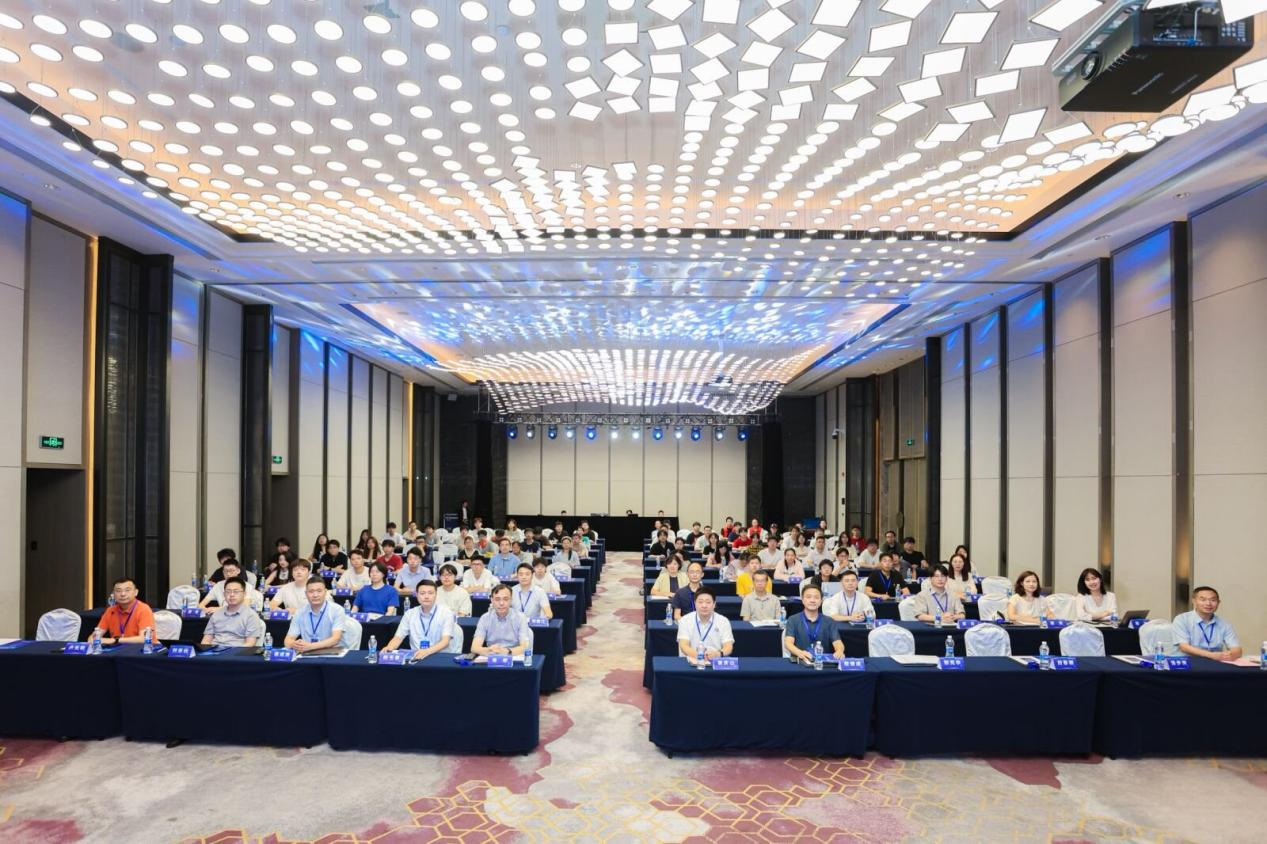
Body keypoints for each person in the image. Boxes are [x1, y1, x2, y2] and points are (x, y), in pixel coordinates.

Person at [383, 579, 461, 659]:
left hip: (439, 657)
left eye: (430, 593)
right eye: (422, 593)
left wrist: (427, 651)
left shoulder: (446, 613)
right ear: (417, 595)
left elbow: (445, 641)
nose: (426, 597)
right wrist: (390, 647)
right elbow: (398, 637)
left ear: (436, 595)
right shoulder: (409, 614)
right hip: (416, 656)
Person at [1172, 586, 1242, 661]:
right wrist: (1211, 655)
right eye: (1203, 600)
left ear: (1218, 602)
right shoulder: (1182, 619)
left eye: (1213, 600)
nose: (1208, 603)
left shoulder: (1224, 624)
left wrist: (1231, 655)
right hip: (1187, 663)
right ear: (1194, 601)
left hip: (1214, 663)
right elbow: (1184, 647)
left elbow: (1237, 649)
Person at [783, 585, 844, 663]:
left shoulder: (829, 621)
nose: (812, 600)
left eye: (816, 597)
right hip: (800, 661)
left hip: (822, 663)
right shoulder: (793, 619)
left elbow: (838, 642)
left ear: (821, 601)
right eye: (808, 597)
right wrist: (799, 653)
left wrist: (839, 651)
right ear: (802, 600)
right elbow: (788, 643)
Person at [284, 577, 348, 652]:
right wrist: (294, 644)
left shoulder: (337, 610)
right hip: (308, 653)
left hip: (333, 652)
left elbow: (335, 639)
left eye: (319, 591)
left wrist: (310, 646)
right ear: (306, 594)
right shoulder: (300, 613)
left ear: (325, 592)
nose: (315, 595)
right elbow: (287, 641)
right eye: (311, 591)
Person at [200, 576, 266, 647]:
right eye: (228, 592)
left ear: (244, 594)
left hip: (237, 651)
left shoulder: (251, 615)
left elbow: (250, 644)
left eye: (236, 591)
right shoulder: (216, 614)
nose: (231, 595)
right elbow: (206, 640)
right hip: (214, 650)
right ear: (224, 594)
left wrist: (229, 651)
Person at [90, 577, 157, 645]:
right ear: (113, 594)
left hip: (143, 649)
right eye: (118, 591)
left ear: (136, 592)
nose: (123, 594)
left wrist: (115, 640)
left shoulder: (143, 609)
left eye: (127, 590)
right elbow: (93, 637)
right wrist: (94, 639)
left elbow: (145, 639)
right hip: (118, 649)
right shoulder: (110, 610)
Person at [676, 589, 734, 665]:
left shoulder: (723, 621)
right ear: (695, 603)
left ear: (714, 604)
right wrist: (700, 656)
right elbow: (683, 645)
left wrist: (718, 654)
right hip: (690, 662)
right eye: (700, 602)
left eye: (708, 602)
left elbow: (728, 646)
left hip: (715, 662)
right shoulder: (685, 620)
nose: (704, 605)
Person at [471, 584, 531, 656]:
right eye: (497, 599)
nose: (501, 603)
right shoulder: (485, 618)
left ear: (511, 600)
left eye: (505, 599)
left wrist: (507, 651)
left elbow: (525, 647)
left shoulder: (520, 618)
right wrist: (489, 650)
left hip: (513, 655)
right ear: (492, 600)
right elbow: (474, 647)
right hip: (492, 655)